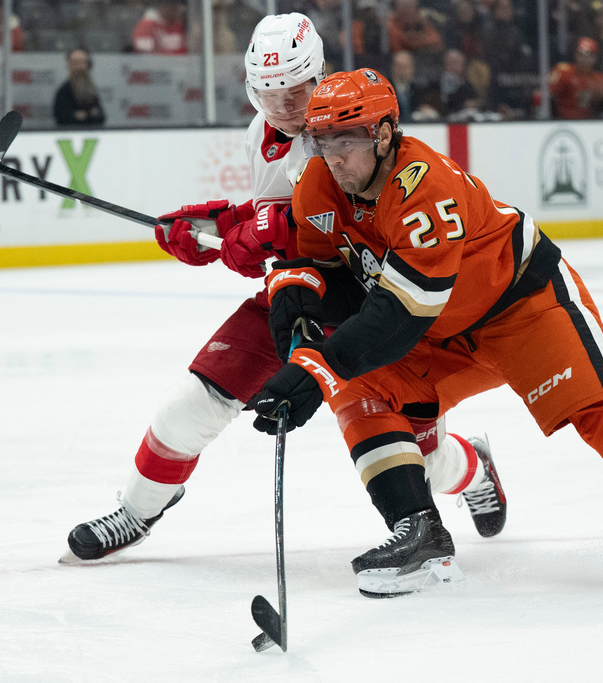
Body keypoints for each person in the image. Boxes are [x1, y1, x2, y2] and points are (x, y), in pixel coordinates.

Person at [246, 68, 603, 600]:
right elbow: (317, 268)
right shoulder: (318, 184)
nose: (333, 157)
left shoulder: (425, 188)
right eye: (322, 142)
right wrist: (295, 320)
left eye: (345, 141)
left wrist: (313, 369)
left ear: (383, 134)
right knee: (359, 391)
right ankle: (419, 533)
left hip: (523, 309)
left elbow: (399, 315)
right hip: (443, 329)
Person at [62, 14, 504, 565]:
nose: (285, 109)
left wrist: (256, 234)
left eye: (296, 93)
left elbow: (324, 227)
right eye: (270, 96)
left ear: (319, 77)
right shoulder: (262, 136)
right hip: (301, 292)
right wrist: (215, 228)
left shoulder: (354, 126)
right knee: (187, 406)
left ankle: (472, 466)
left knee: (421, 455)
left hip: (378, 304)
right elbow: (279, 223)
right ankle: (137, 509)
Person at [548, 37, 603, 120]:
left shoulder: (599, 79)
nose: (585, 59)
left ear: (595, 58)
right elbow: (547, 94)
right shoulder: (563, 72)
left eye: (589, 55)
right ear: (576, 55)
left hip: (589, 124)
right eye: (581, 54)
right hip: (562, 121)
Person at [53, 49, 105, 127]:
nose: (79, 67)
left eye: (82, 63)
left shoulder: (91, 90)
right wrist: (88, 115)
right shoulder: (63, 91)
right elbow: (62, 118)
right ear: (69, 66)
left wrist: (84, 115)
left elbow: (100, 116)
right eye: (76, 63)